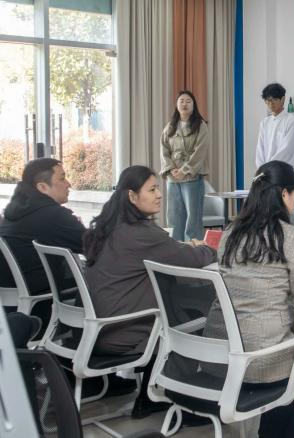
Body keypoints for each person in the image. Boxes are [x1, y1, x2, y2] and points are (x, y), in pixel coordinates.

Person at [204, 161, 294, 438]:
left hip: (221, 359)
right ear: (284, 194)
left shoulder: (230, 233)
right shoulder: (291, 236)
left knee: (285, 353)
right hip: (260, 364)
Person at [84, 165, 217, 418]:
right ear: (132, 196)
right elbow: (193, 259)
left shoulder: (109, 227)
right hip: (124, 332)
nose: (159, 194)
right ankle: (181, 399)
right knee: (191, 318)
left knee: (178, 307)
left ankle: (152, 393)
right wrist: (207, 248)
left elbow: (168, 252)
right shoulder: (140, 233)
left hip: (101, 327)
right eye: (152, 189)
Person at [0, 158, 84, 300]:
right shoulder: (53, 215)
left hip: (14, 297)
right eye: (62, 178)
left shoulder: (13, 213)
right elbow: (94, 246)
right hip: (45, 298)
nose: (68, 184)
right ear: (42, 187)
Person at [161, 90, 209, 242]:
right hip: (173, 178)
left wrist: (185, 170)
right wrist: (171, 169)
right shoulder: (170, 126)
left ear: (194, 105)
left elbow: (200, 151)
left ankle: (194, 251)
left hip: (192, 177)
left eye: (188, 101)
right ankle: (175, 249)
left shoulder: (200, 126)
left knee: (193, 219)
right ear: (176, 105)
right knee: (174, 217)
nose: (184, 104)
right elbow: (164, 150)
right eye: (181, 101)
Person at [256, 83, 294, 169]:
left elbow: (287, 150)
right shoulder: (264, 122)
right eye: (268, 100)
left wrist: (269, 168)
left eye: (274, 99)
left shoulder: (291, 121)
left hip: (283, 170)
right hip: (265, 171)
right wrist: (261, 168)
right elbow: (260, 149)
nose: (271, 104)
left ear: (283, 99)